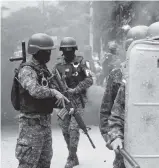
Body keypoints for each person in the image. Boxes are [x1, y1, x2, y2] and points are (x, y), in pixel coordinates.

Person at [15, 33, 69, 168]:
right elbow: (34, 90)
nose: (49, 55)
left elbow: (51, 93)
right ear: (36, 51)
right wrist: (54, 92)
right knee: (28, 164)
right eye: (46, 52)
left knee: (44, 163)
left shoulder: (43, 70)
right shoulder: (27, 70)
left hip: (44, 124)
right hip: (31, 127)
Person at [99, 25, 149, 168]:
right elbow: (107, 107)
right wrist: (108, 135)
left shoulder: (157, 72)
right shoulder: (117, 74)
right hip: (123, 134)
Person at [53, 37, 93, 168]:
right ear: (62, 51)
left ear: (75, 50)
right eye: (65, 50)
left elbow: (89, 80)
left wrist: (76, 89)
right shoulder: (58, 65)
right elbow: (53, 82)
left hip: (78, 101)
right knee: (65, 129)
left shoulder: (82, 62)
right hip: (64, 102)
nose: (68, 53)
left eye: (70, 50)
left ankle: (71, 157)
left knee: (74, 129)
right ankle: (74, 156)